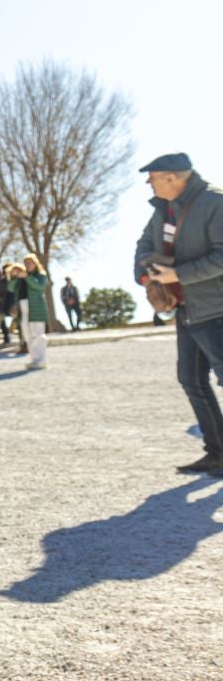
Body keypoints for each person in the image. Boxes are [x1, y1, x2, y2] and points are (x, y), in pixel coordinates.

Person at [133, 153, 223, 476]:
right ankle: (218, 453)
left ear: (172, 178)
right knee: (190, 379)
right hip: (186, 310)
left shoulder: (215, 202)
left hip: (217, 309)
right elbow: (143, 245)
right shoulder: (163, 209)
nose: (148, 182)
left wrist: (178, 275)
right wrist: (147, 276)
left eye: (153, 176)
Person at [19, 256, 51, 369]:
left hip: (36, 308)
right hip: (24, 309)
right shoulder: (22, 277)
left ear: (35, 263)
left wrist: (27, 277)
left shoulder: (41, 275)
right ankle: (34, 359)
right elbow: (12, 289)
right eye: (26, 263)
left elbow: (39, 286)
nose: (28, 265)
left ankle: (41, 360)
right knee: (28, 335)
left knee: (38, 334)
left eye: (30, 263)